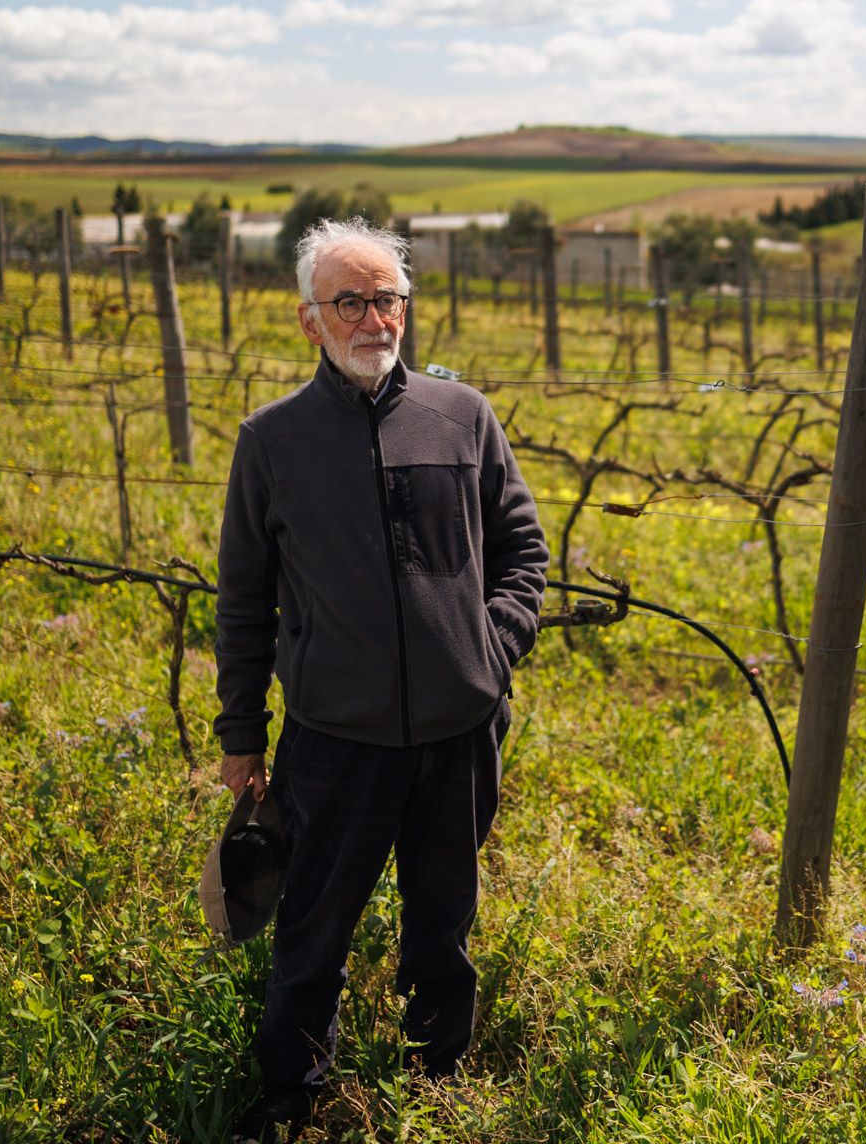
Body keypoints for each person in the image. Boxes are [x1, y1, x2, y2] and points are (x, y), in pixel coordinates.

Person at [213, 218, 548, 1143]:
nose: (375, 319)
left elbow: (523, 549)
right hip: (334, 740)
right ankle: (291, 1097)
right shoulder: (272, 441)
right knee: (312, 931)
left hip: (458, 732)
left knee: (443, 923)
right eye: (350, 302)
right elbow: (243, 599)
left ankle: (436, 1090)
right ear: (309, 320)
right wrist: (242, 734)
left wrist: (489, 648)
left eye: (389, 298)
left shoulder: (461, 415)